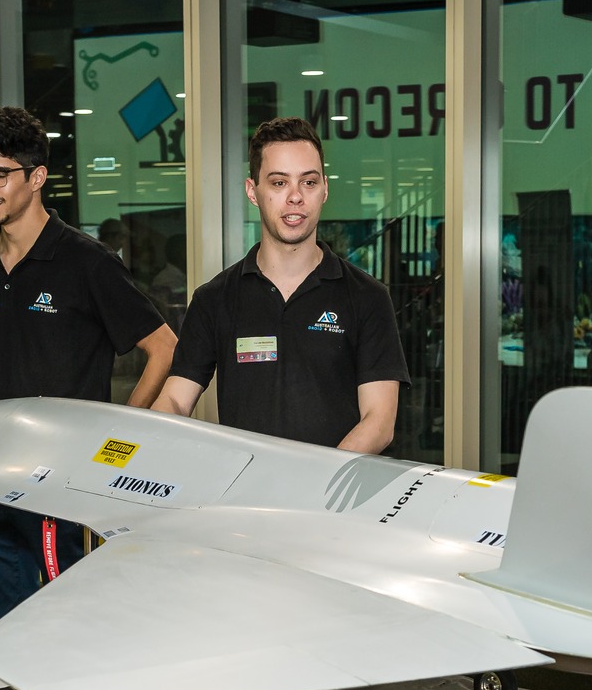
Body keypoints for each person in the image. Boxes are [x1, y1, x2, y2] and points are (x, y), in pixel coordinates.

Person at [0, 106, 176, 628]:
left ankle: (78, 682)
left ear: (36, 177)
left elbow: (165, 346)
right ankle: (14, 663)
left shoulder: (86, 261)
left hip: (64, 470)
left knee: (69, 594)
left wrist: (116, 434)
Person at [152, 117, 408, 451]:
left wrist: (315, 485)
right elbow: (175, 398)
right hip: (243, 497)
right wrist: (150, 436)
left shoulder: (367, 297)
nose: (295, 197)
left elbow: (379, 421)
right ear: (252, 191)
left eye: (309, 182)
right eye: (278, 183)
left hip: (330, 496)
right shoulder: (215, 299)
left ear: (325, 189)